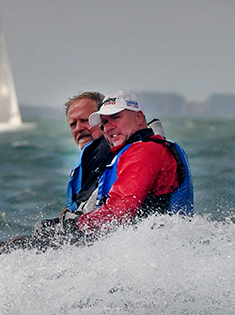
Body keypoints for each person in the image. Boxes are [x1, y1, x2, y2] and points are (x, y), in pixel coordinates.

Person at [74, 90, 193, 234]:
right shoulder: (139, 151)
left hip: (155, 244)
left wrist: (76, 226)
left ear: (138, 117)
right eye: (105, 122)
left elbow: (119, 212)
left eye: (116, 117)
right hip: (158, 242)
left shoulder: (145, 152)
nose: (109, 127)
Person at [63, 92, 112, 210]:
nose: (78, 128)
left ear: (104, 120)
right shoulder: (90, 156)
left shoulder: (107, 153)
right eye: (73, 124)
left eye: (85, 120)